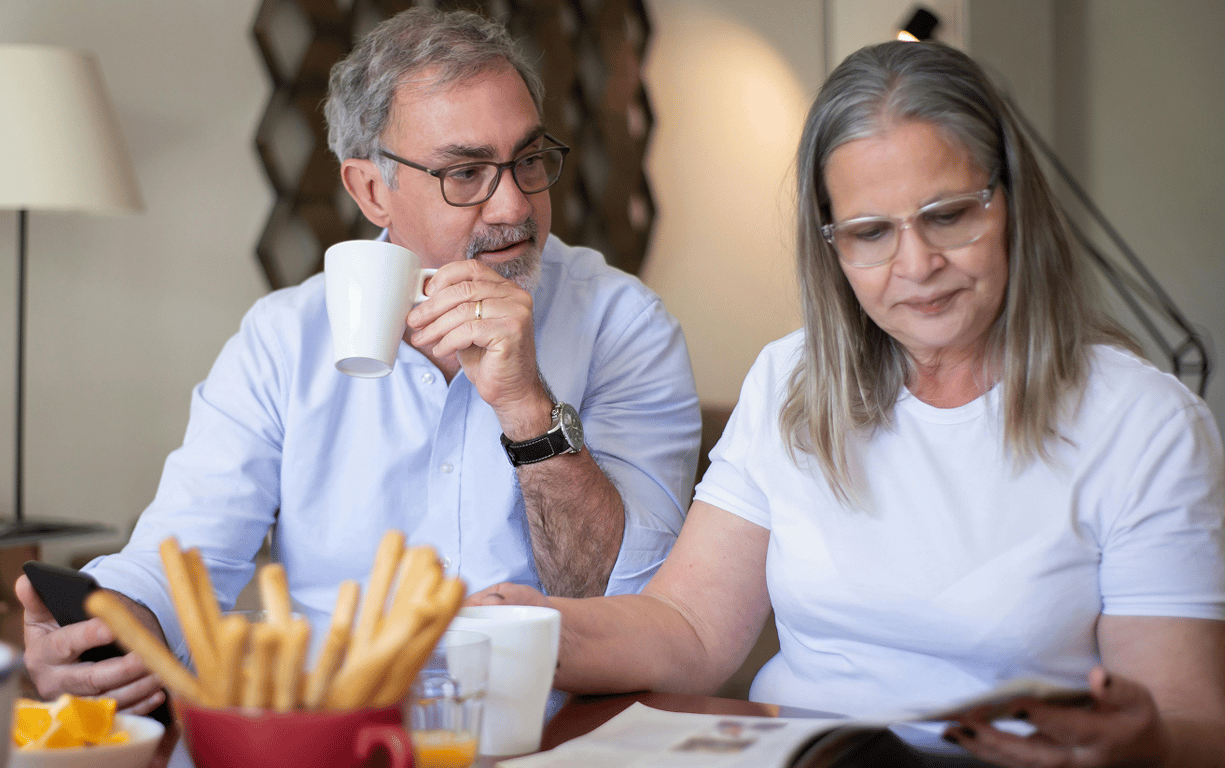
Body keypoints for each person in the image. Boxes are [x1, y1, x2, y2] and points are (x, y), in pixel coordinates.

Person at [473, 40, 1225, 767]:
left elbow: (1191, 720)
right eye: (870, 233)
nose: (917, 265)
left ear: (1012, 206)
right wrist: (517, 627)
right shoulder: (790, 381)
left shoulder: (1144, 424)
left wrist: (1149, 747)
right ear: (831, 248)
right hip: (805, 755)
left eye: (949, 216)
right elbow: (689, 628)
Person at [15, 7, 700, 715]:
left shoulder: (625, 326)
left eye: (528, 160)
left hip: (555, 737)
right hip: (330, 737)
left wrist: (527, 407)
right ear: (372, 190)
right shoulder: (284, 339)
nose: (513, 205)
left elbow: (636, 603)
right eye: (466, 172)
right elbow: (179, 559)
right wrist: (106, 629)